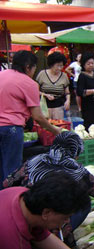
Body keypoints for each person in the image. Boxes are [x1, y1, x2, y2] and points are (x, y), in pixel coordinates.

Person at [3, 131, 94, 232]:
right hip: (45, 219)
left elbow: (7, 183)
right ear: (76, 152)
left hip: (17, 211)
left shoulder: (35, 158)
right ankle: (62, 236)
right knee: (83, 204)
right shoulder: (74, 169)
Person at [0, 171, 94, 249]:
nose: (67, 221)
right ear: (46, 213)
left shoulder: (20, 195)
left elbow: (42, 236)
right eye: (65, 217)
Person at [0, 50, 60, 186]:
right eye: (34, 68)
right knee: (12, 172)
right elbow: (38, 116)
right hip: (11, 129)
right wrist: (55, 130)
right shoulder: (29, 84)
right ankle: (11, 202)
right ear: (28, 67)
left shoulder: (1, 75)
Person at [36, 52, 71, 119]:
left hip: (58, 106)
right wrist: (45, 95)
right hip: (44, 106)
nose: (60, 68)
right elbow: (35, 91)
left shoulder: (64, 76)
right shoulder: (42, 74)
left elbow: (67, 92)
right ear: (52, 64)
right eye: (57, 65)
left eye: (61, 66)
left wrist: (68, 100)